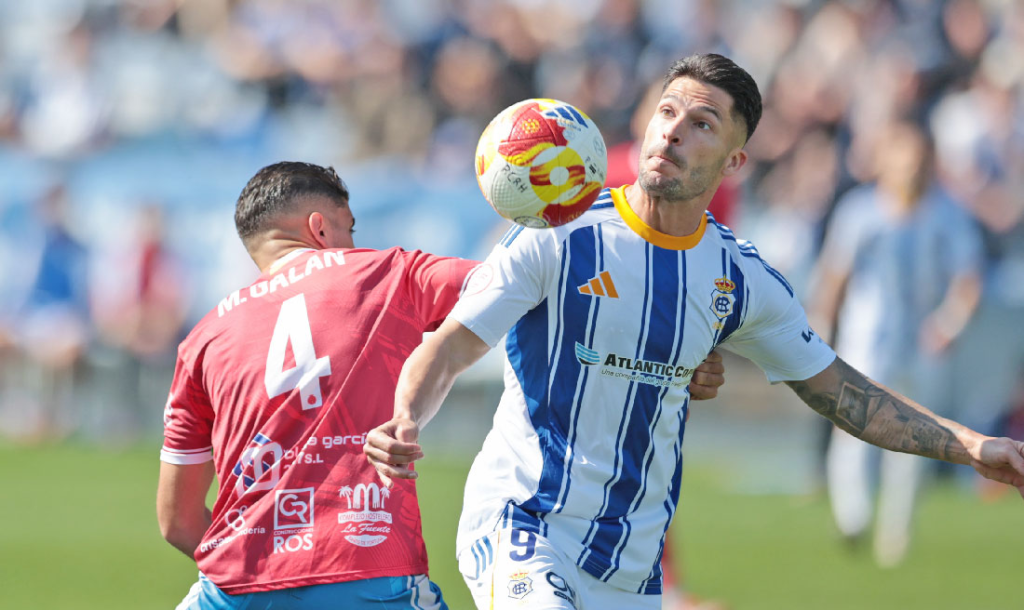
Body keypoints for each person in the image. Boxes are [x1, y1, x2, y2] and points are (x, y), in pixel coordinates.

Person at [364, 53, 1024, 610]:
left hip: (632, 567)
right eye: (667, 112)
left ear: (734, 161)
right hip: (522, 522)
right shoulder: (558, 232)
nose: (673, 131)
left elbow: (844, 394)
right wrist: (406, 417)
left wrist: (971, 446)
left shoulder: (740, 279)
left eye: (701, 123)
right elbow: (451, 344)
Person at [157, 161, 727, 609]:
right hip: (367, 572)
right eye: (350, 229)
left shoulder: (202, 339)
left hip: (231, 586)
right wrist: (676, 352)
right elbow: (534, 291)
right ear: (319, 227)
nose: (353, 243)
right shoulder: (387, 273)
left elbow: (178, 522)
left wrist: (263, 565)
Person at [809, 120, 984, 566]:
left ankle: (896, 533)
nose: (911, 168)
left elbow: (968, 280)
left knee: (916, 435)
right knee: (854, 423)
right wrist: (820, 331)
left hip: (922, 342)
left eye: (919, 159)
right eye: (903, 158)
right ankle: (852, 514)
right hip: (868, 338)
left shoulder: (948, 214)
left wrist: (947, 326)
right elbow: (834, 276)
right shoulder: (860, 212)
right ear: (885, 160)